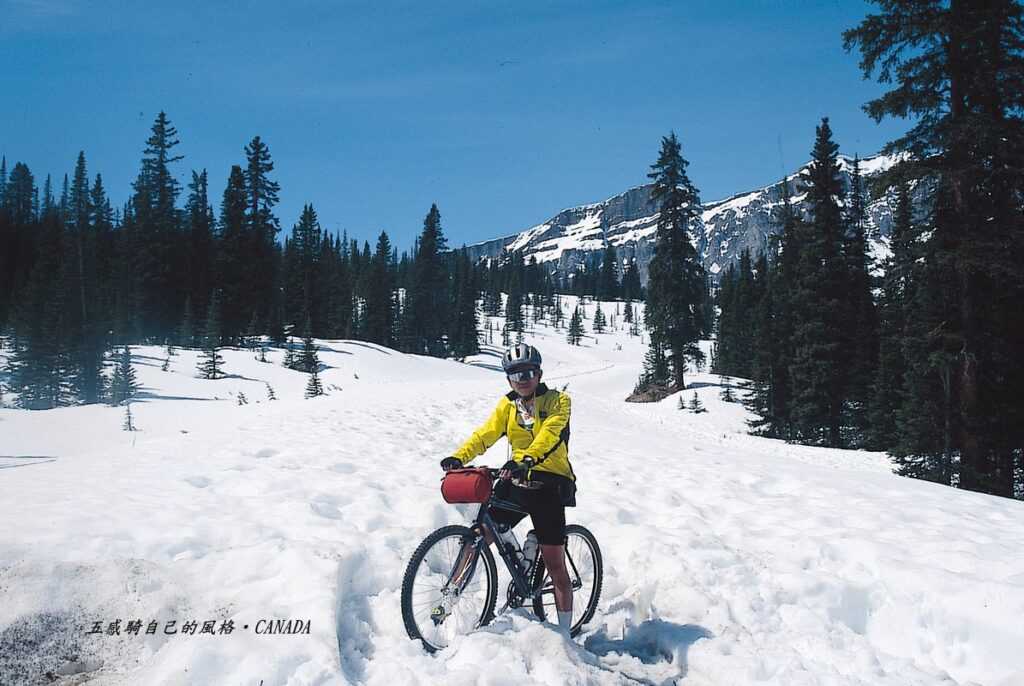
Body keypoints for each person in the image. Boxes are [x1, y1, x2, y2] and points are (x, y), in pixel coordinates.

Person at [440, 342, 578, 635]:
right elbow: (486, 434)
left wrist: (525, 458)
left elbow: (550, 434)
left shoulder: (559, 401)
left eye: (528, 372)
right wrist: (460, 457)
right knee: (480, 533)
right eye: (516, 375)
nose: (523, 379)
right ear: (508, 379)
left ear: (539, 374)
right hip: (515, 479)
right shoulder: (508, 405)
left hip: (550, 482)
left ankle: (565, 635)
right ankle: (451, 591)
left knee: (555, 565)